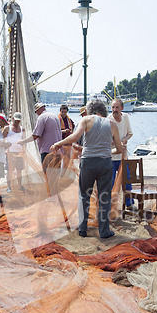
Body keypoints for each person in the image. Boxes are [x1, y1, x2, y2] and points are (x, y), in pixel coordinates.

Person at [51, 100, 124, 239]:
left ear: (90, 110)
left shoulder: (86, 120)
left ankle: (83, 229)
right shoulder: (112, 125)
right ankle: (104, 231)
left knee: (84, 196)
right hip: (105, 163)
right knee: (104, 197)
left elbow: (75, 137)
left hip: (88, 162)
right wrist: (109, 151)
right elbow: (119, 149)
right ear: (104, 111)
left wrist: (58, 143)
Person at [108, 98, 135, 209]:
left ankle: (129, 204)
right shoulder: (108, 120)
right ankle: (110, 205)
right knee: (110, 182)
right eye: (113, 107)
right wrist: (117, 143)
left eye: (117, 107)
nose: (115, 110)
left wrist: (123, 140)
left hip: (123, 157)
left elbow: (130, 133)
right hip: (111, 156)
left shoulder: (125, 117)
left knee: (127, 180)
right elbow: (107, 139)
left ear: (122, 108)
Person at [5, 112, 25, 192]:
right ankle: (9, 187)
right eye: (16, 120)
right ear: (13, 119)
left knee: (19, 170)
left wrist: (23, 150)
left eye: (18, 121)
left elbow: (24, 140)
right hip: (10, 153)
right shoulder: (7, 128)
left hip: (19, 153)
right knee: (10, 170)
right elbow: (2, 139)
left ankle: (19, 185)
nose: (17, 122)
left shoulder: (22, 129)